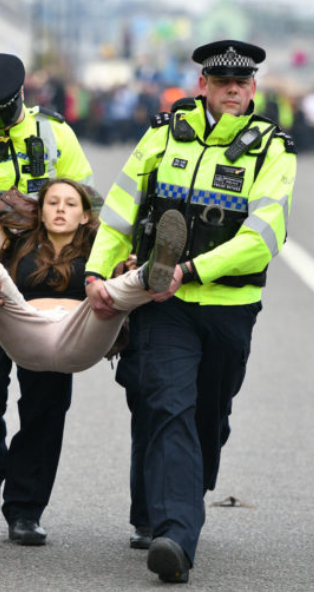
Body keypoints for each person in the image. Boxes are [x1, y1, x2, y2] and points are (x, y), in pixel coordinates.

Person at [84, 40, 296, 583]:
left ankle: (180, 492)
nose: (232, 90)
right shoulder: (163, 133)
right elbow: (121, 209)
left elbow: (264, 236)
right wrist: (96, 270)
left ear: (252, 89)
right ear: (201, 85)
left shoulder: (271, 150)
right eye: (222, 81)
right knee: (167, 405)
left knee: (208, 415)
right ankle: (174, 535)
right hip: (164, 301)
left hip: (229, 304)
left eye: (242, 83)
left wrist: (195, 269)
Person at [0, 52, 96, 545]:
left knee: (46, 400)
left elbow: (86, 200)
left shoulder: (56, 134)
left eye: (1, 113)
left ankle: (26, 508)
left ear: (19, 100)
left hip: (48, 281)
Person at [0, 178, 186, 372]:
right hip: (26, 330)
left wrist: (128, 265)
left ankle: (152, 272)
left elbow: (115, 257)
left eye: (70, 204)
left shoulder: (101, 251)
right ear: (40, 212)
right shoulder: (17, 244)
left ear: (85, 216)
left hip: (81, 335)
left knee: (113, 291)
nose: (60, 209)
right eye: (52, 203)